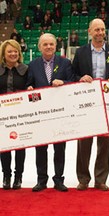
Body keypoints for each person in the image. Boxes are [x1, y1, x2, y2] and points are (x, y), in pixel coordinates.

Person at [72, 18, 109, 191]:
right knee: (84, 142)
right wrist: (80, 78)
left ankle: (100, 179)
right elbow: (73, 74)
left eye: (102, 29)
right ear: (90, 32)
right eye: (97, 30)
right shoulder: (80, 52)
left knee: (104, 143)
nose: (100, 33)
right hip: (87, 102)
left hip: (107, 102)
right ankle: (83, 179)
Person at [26, 33, 74, 192]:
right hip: (40, 115)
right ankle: (41, 179)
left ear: (56, 46)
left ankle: (59, 179)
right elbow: (29, 85)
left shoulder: (66, 63)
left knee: (60, 148)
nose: (48, 47)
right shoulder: (32, 65)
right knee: (40, 148)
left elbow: (73, 84)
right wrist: (29, 89)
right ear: (39, 47)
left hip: (60, 113)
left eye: (51, 44)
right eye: (45, 44)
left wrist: (64, 82)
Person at [0, 39, 28, 190]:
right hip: (2, 115)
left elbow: (31, 86)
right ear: (3, 54)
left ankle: (18, 177)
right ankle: (6, 175)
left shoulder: (26, 70)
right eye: (9, 51)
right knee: (4, 146)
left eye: (15, 51)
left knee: (20, 146)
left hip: (21, 114)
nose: (13, 54)